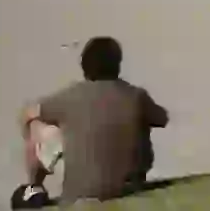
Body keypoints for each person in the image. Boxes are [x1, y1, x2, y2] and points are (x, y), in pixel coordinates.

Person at [16, 37, 169, 205]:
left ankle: (34, 188)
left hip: (80, 193)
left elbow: (28, 114)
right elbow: (162, 119)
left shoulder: (71, 96)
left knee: (38, 124)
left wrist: (29, 134)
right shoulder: (136, 95)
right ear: (117, 64)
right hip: (131, 186)